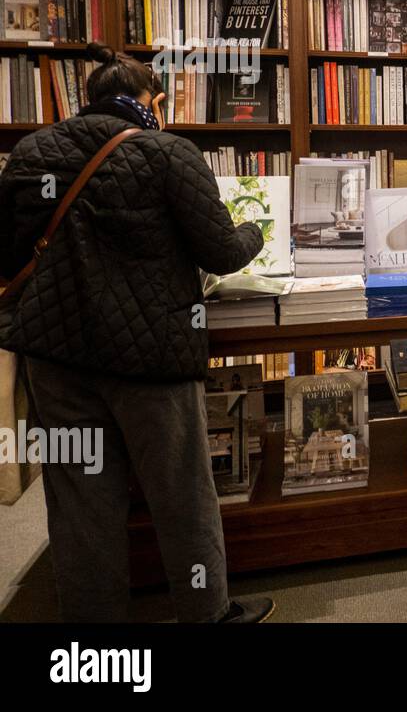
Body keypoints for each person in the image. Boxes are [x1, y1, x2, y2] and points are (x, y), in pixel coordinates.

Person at [0, 43, 272, 623]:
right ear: (151, 102)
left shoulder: (30, 152)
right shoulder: (168, 153)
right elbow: (222, 253)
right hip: (152, 358)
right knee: (181, 493)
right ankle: (207, 614)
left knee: (78, 500)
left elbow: (6, 252)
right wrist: (256, 229)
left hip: (56, 358)